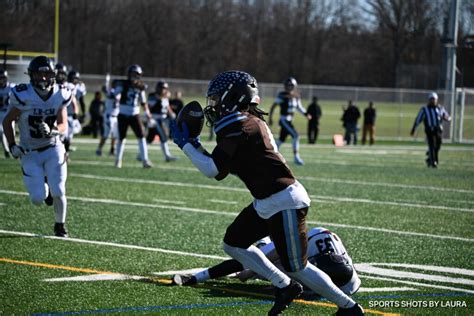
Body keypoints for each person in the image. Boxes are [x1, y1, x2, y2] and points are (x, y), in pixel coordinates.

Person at [171, 71, 364, 316]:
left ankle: (349, 307)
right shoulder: (244, 121)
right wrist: (194, 144)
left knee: (297, 267)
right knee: (233, 243)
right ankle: (285, 285)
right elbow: (220, 169)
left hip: (284, 200)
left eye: (218, 98)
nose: (214, 104)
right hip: (268, 201)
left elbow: (212, 170)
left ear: (235, 97)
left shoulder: (239, 123)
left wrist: (186, 143)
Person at [173, 226, 361, 297]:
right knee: (252, 259)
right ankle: (198, 277)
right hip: (293, 247)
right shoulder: (304, 242)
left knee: (279, 276)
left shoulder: (348, 278)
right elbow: (266, 259)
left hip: (310, 252)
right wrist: (251, 272)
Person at [2, 56, 70, 237]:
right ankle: (45, 189)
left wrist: (54, 130)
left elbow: (64, 125)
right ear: (31, 76)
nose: (44, 79)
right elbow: (7, 121)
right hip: (29, 150)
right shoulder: (24, 94)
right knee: (37, 198)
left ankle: (60, 225)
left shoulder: (60, 94)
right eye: (39, 75)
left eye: (47, 74)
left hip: (53, 146)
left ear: (53, 75)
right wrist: (11, 145)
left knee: (59, 189)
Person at [114, 64, 152, 168]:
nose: (135, 76)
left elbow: (144, 102)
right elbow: (114, 94)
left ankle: (145, 160)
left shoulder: (140, 87)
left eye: (137, 74)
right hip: (122, 113)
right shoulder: (123, 84)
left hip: (134, 114)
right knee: (121, 138)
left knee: (141, 136)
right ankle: (118, 160)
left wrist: (147, 112)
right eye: (133, 74)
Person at [269, 77, 311, 165]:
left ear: (294, 86)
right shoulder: (282, 95)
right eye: (287, 85)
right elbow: (273, 106)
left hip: (290, 120)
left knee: (280, 140)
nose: (289, 87)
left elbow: (299, 107)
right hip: (284, 120)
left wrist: (306, 114)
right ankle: (296, 157)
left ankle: (269, 156)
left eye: (291, 85)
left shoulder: (296, 96)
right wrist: (270, 118)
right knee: (296, 136)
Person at [410, 92, 451, 168]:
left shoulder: (440, 108)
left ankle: (430, 158)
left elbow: (448, 116)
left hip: (438, 130)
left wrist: (446, 118)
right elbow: (418, 119)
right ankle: (434, 162)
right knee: (432, 145)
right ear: (429, 100)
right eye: (431, 99)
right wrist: (413, 129)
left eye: (434, 99)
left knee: (437, 146)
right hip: (429, 130)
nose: (433, 101)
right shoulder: (424, 109)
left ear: (437, 100)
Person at [146, 80, 177, 162]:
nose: (164, 90)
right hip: (155, 119)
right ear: (158, 88)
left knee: (150, 137)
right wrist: (149, 118)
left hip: (163, 119)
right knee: (163, 136)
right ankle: (167, 155)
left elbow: (167, 107)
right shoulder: (152, 96)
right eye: (163, 88)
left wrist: (171, 113)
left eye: (165, 88)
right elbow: (148, 107)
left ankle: (141, 154)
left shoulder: (165, 97)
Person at [61, 68, 81, 157]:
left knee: (68, 135)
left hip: (69, 114)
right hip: (64, 113)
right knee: (65, 136)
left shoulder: (69, 86)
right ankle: (64, 152)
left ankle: (66, 152)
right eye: (75, 78)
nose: (76, 80)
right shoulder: (70, 86)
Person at [96, 80, 119, 156]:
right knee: (107, 134)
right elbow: (108, 93)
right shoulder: (112, 91)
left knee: (115, 134)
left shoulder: (119, 93)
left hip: (116, 116)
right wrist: (105, 88)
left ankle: (112, 150)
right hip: (109, 116)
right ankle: (99, 149)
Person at [0, 69, 15, 158]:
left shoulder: (12, 87)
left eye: (3, 78)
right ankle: (7, 151)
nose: (1, 80)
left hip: (9, 114)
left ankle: (13, 149)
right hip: (0, 113)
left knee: (10, 133)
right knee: (1, 131)